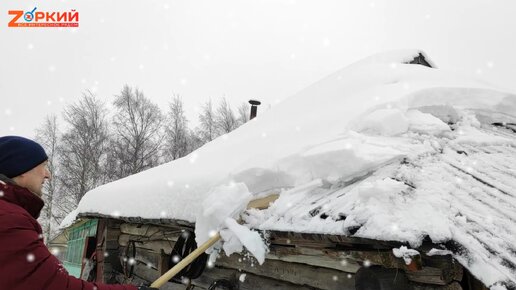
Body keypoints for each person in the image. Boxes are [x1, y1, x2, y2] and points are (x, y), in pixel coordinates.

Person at [0, 136, 156, 290]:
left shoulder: (8, 215)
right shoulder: (10, 220)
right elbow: (59, 287)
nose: (48, 174)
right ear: (20, 169)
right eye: (43, 165)